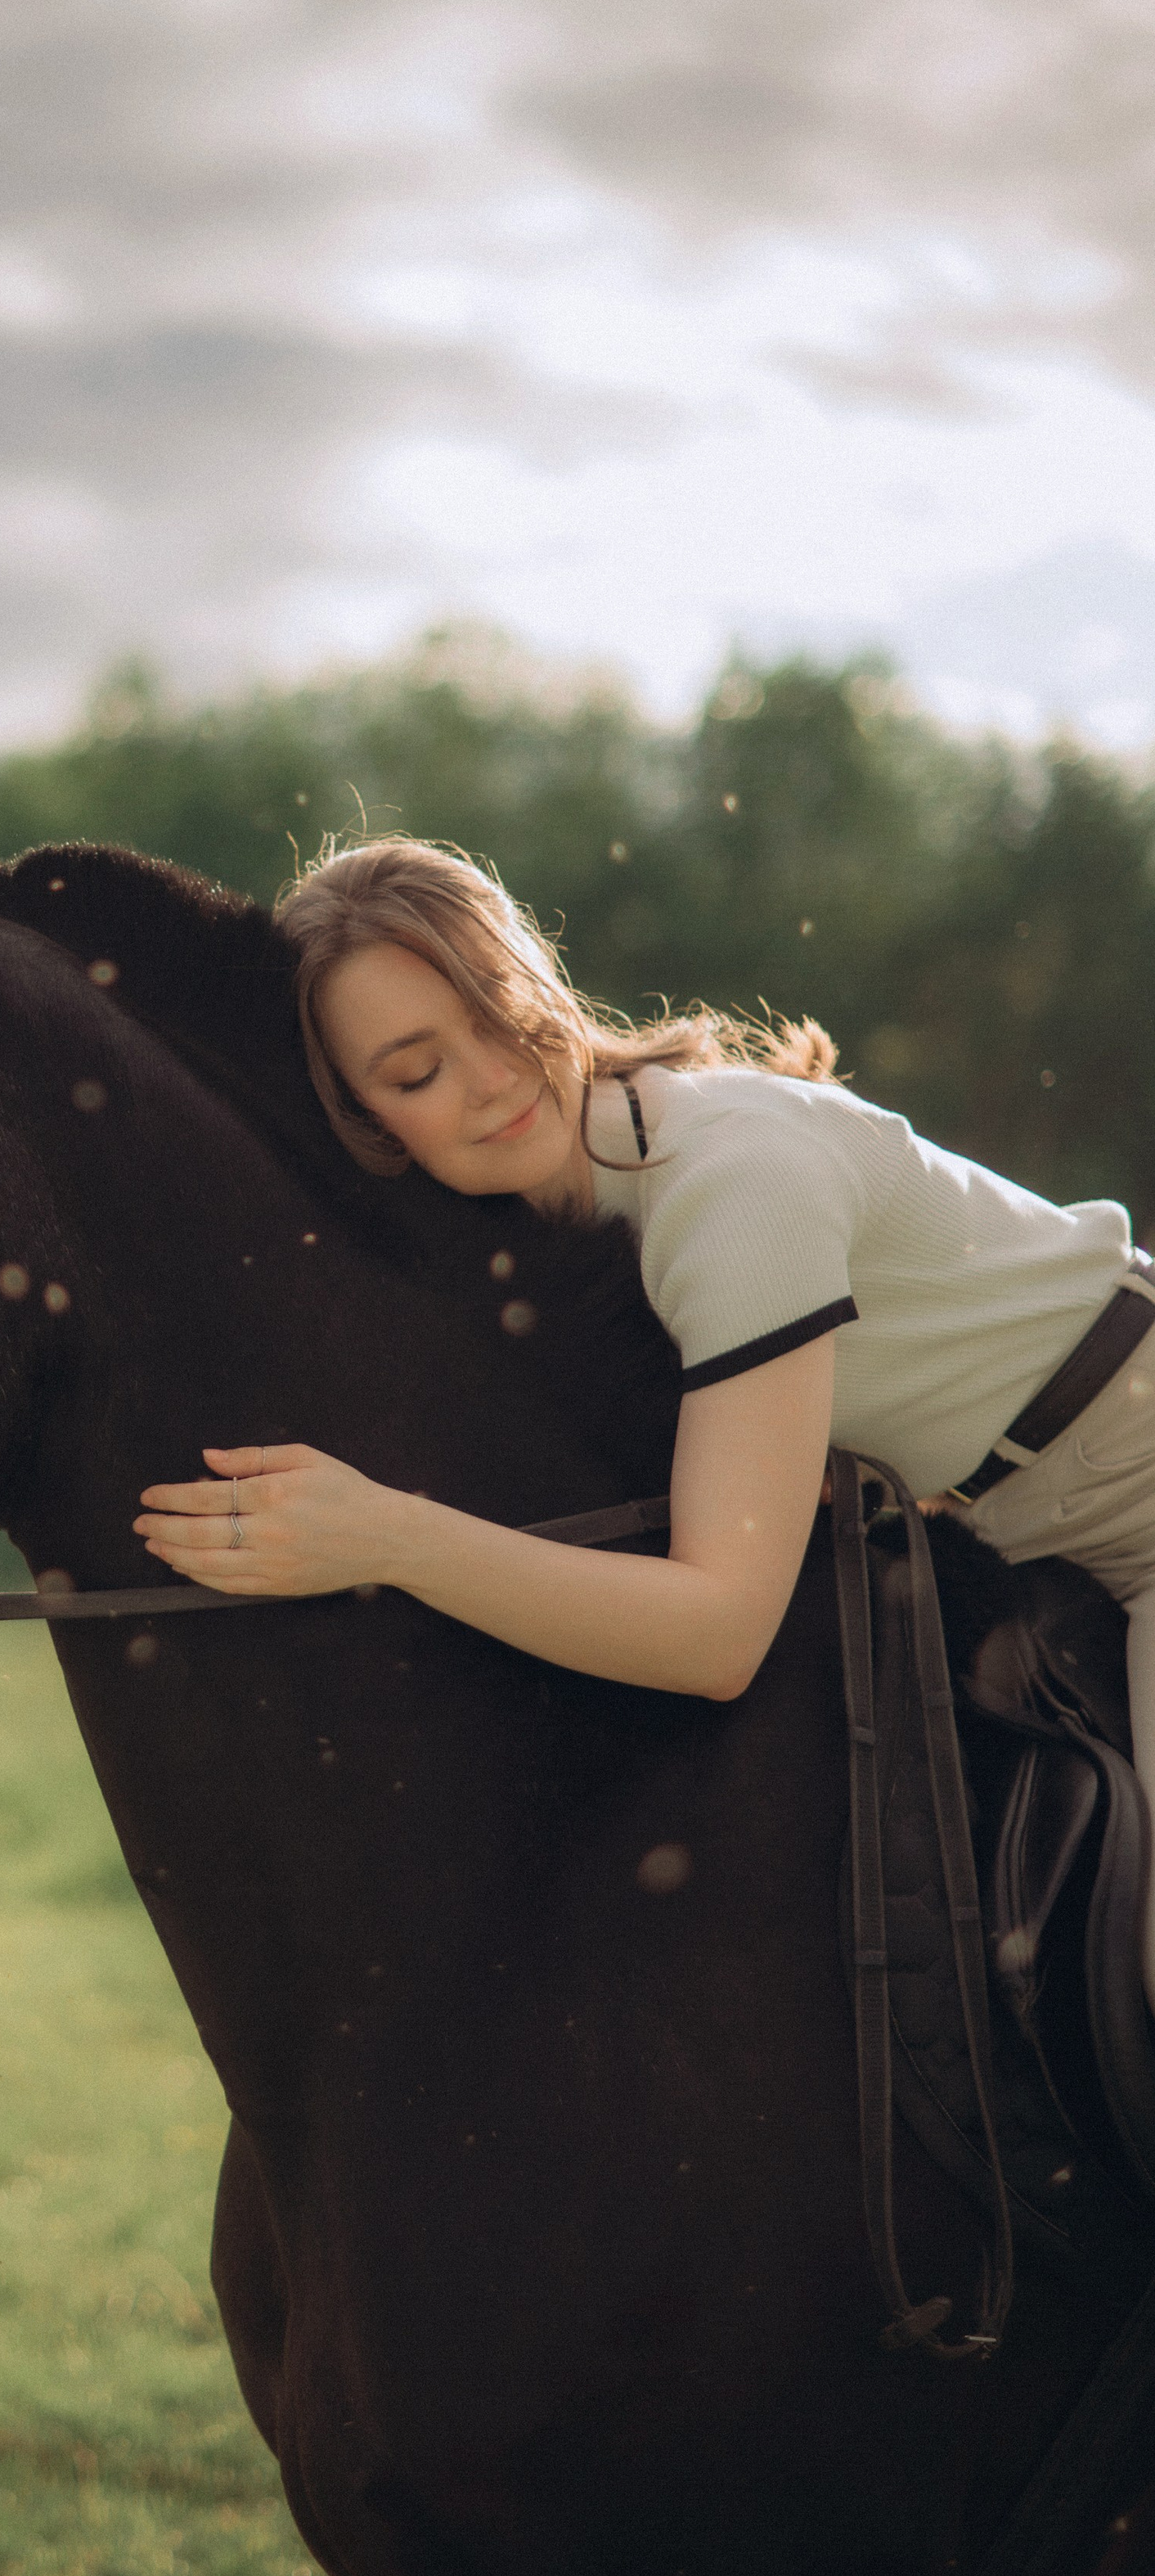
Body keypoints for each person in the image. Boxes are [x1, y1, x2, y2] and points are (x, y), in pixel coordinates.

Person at [132, 835, 1155, 1971]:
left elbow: (717, 1633)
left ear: (544, 978)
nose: (493, 1081)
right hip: (1014, 1530)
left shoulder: (732, 1180)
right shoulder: (559, 1225)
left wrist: (384, 1534)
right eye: (417, 1074)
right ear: (368, 1121)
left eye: (502, 1012)